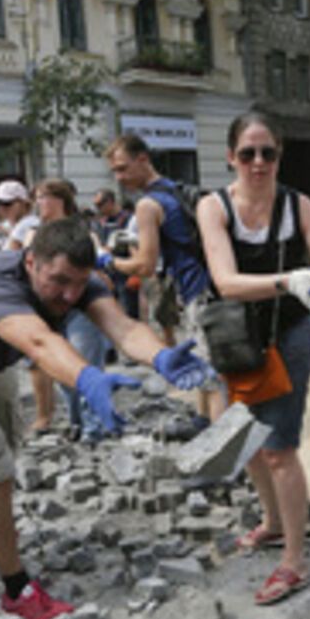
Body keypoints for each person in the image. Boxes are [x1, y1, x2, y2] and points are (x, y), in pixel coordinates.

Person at [0, 217, 212, 619]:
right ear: (31, 262)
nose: (69, 295)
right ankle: (18, 590)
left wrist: (159, 356)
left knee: (5, 443)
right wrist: (88, 378)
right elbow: (38, 340)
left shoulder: (79, 281)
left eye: (79, 284)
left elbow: (121, 327)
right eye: (58, 281)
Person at [196, 113, 310, 605]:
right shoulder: (213, 207)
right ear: (231, 157)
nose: (259, 163)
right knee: (247, 437)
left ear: (280, 156)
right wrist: (289, 280)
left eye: (268, 153)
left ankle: (294, 560)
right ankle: (274, 523)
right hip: (235, 337)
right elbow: (226, 281)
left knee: (280, 447)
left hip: (288, 334)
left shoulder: (298, 205)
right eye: (248, 153)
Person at [103, 134, 226, 420]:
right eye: (114, 171)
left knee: (213, 376)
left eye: (122, 168)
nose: (118, 177)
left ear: (143, 159)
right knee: (204, 365)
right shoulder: (176, 190)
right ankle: (203, 422)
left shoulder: (147, 205)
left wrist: (111, 262)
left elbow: (145, 265)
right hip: (211, 288)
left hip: (198, 294)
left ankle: (224, 452)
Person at [22, 179, 112, 440]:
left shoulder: (83, 230)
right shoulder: (32, 233)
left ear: (61, 200)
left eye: (44, 197)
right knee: (61, 369)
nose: (39, 203)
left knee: (84, 362)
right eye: (37, 197)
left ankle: (93, 426)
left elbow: (97, 262)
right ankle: (77, 420)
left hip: (79, 305)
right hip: (45, 307)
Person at [0, 180, 40, 251]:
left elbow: (14, 256)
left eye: (7, 203)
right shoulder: (15, 224)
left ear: (23, 203)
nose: (2, 207)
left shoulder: (28, 223)